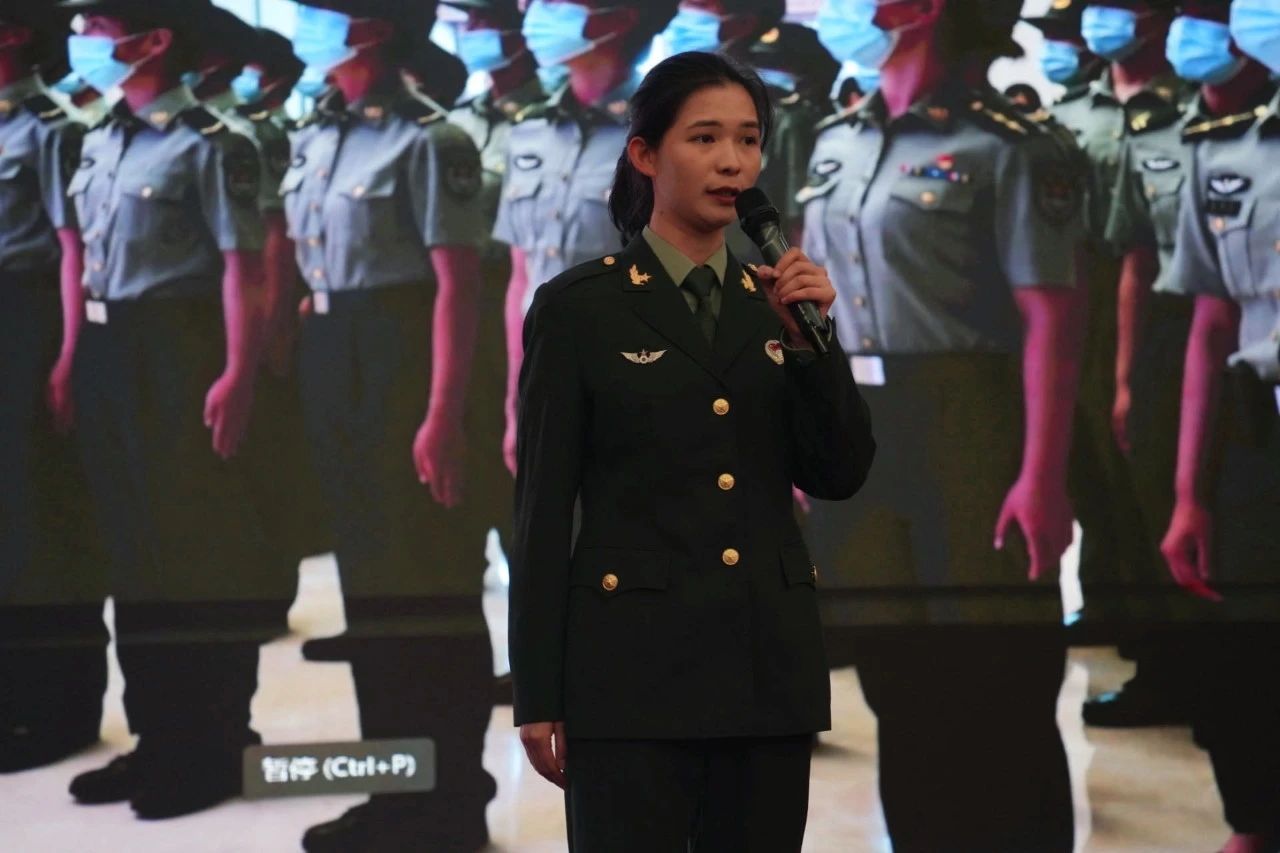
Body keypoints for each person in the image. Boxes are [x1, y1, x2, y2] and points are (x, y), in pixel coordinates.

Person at [510, 50, 875, 852]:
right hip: (630, 677)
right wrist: (537, 690)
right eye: (705, 138)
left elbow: (840, 471)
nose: (732, 161)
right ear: (645, 154)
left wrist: (814, 351)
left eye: (748, 140)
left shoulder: (775, 304)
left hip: (764, 674)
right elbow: (541, 510)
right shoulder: (581, 309)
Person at [798, 1, 1086, 849]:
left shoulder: (1015, 148)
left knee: (997, 675)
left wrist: (1043, 476)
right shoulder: (837, 139)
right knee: (897, 675)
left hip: (970, 423)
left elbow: (1053, 324)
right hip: (860, 418)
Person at [280, 2, 494, 849]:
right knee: (369, 592)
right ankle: (396, 792)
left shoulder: (433, 139)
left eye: (323, 13)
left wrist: (443, 412)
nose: (307, 25)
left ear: (372, 28)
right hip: (335, 354)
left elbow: (458, 288)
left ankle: (451, 806)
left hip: (405, 359)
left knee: (426, 584)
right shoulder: (320, 132)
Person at [57, 0, 274, 819]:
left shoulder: (215, 142)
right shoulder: (99, 135)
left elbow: (243, 268)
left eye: (99, 26)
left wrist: (239, 373)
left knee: (195, 550)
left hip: (182, 350)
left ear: (154, 41)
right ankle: (157, 737)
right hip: (110, 349)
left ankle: (215, 745)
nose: (84, 38)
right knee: (131, 552)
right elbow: (82, 256)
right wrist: (73, 356)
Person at [1030, 0, 1192, 728]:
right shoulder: (1068, 113)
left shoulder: (1188, 107)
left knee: (1148, 490)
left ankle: (1171, 666)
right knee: (1092, 476)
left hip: (1159, 308)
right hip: (1076, 300)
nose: (1103, 22)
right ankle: (1123, 620)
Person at [1157, 3, 1280, 848]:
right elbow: (1210, 327)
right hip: (1257, 436)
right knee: (1247, 658)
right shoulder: (1227, 151)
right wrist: (1188, 493)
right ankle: (1256, 823)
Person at [496, 0, 678, 475]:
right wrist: (517, 400)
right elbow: (521, 281)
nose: (540, 13)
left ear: (620, 18)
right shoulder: (529, 132)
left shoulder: (666, 135)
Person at [0, 0, 109, 774]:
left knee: (44, 519)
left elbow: (74, 250)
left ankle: (62, 708)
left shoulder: (52, 128)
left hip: (32, 315)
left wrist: (69, 355)